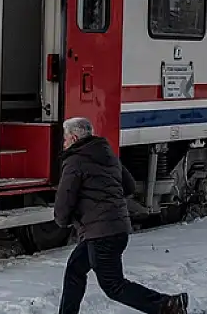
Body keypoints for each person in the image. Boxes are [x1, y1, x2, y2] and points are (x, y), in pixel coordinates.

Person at [54, 117, 188, 314]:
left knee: (113, 286)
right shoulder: (107, 154)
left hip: (101, 234)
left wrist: (62, 220)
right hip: (114, 228)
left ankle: (167, 305)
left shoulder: (75, 161)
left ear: (74, 138)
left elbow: (65, 197)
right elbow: (130, 186)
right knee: (75, 268)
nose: (64, 144)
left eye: (65, 139)